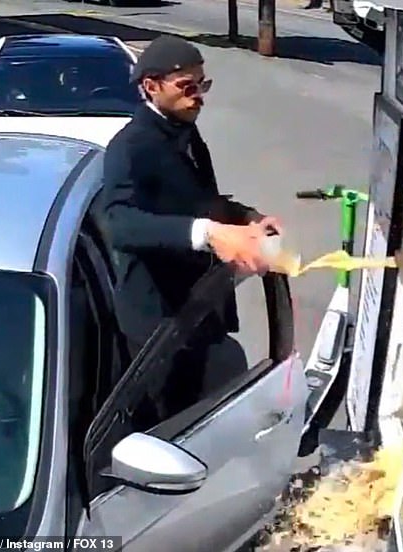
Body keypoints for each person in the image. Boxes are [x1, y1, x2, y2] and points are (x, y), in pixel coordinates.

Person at [100, 35, 282, 420]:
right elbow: (120, 223)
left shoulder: (185, 132)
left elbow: (197, 199)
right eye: (187, 87)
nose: (198, 96)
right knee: (177, 427)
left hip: (199, 312)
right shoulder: (131, 146)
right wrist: (208, 233)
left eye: (203, 85)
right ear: (151, 86)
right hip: (160, 328)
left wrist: (244, 217)